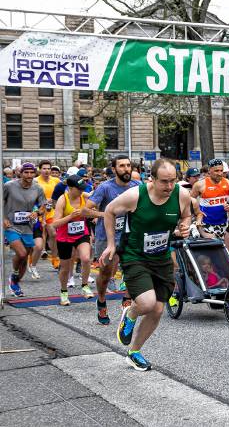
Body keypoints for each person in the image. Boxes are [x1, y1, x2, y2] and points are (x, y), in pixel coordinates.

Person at [99, 159, 192, 371]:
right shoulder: (135, 196)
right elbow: (110, 211)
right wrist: (112, 244)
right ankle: (131, 313)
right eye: (164, 182)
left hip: (162, 258)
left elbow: (187, 215)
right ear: (151, 179)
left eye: (173, 181)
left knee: (158, 309)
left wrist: (185, 226)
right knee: (147, 303)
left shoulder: (181, 195)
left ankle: (134, 352)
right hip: (135, 256)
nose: (169, 187)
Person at [87, 155, 140, 324]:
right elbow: (86, 210)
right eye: (122, 166)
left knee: (134, 270)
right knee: (105, 273)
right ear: (114, 169)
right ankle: (101, 300)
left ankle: (127, 300)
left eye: (128, 165)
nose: (126, 169)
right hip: (106, 236)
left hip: (130, 235)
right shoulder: (105, 188)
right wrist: (107, 214)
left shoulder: (138, 186)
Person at [3, 162, 46, 297]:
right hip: (11, 225)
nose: (28, 175)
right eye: (25, 172)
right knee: (21, 254)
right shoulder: (9, 186)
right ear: (20, 173)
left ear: (34, 174)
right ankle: (14, 276)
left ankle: (15, 282)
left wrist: (37, 212)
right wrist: (3, 218)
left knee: (25, 257)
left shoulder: (37, 188)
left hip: (28, 226)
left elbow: (43, 206)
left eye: (31, 172)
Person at [52, 175, 96, 305]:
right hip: (65, 236)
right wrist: (70, 216)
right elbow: (55, 223)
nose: (82, 191)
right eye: (79, 188)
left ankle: (84, 285)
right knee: (65, 268)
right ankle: (64, 292)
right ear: (70, 188)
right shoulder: (62, 199)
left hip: (82, 233)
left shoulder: (84, 196)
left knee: (86, 258)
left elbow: (96, 200)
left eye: (83, 188)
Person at [192, 158, 229, 240]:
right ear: (209, 171)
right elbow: (189, 202)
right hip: (206, 224)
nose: (220, 173)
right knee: (210, 250)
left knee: (223, 250)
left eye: (221, 170)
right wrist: (197, 212)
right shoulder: (200, 185)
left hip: (224, 224)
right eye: (216, 171)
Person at [35, 160, 62, 270]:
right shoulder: (35, 181)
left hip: (51, 211)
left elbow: (62, 193)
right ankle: (33, 258)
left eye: (48, 168)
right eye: (44, 168)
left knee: (53, 234)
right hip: (38, 211)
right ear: (40, 169)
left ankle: (55, 258)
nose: (46, 171)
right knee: (39, 236)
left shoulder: (56, 180)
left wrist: (54, 201)